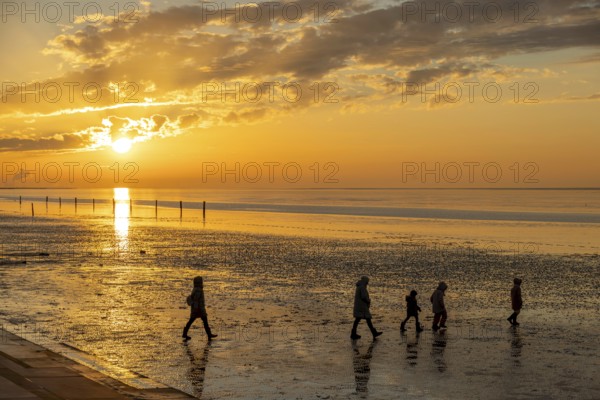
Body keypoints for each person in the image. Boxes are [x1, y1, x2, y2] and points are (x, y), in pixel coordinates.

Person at [182, 276, 217, 341]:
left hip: (197, 309)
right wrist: (197, 309)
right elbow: (196, 300)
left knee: (193, 321)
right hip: (199, 309)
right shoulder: (198, 290)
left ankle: (185, 333)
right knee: (203, 321)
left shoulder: (195, 289)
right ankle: (209, 335)